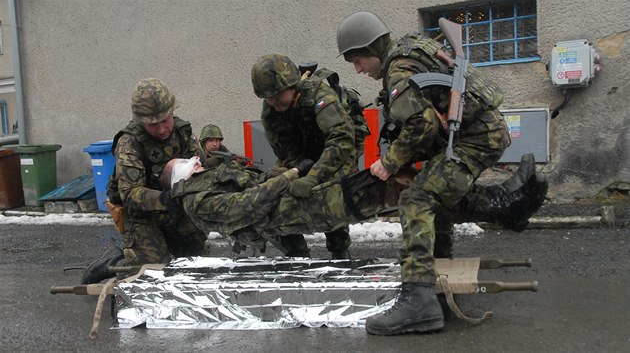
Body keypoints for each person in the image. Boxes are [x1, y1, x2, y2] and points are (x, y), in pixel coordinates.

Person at [336, 11, 546, 335]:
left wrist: (389, 162)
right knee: (435, 195)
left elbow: (422, 125)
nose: (358, 69)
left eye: (358, 60)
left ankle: (418, 299)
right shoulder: (407, 51)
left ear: (373, 49)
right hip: (479, 133)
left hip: (475, 138)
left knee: (415, 200)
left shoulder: (399, 68)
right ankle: (442, 274)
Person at [160, 154, 545, 251]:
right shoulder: (199, 202)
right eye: (186, 163)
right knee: (399, 186)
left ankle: (500, 202)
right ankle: (500, 205)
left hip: (310, 198)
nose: (195, 160)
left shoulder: (210, 178)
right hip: (309, 209)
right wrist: (291, 176)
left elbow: (257, 183)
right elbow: (245, 208)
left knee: (403, 184)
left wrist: (289, 173)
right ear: (180, 177)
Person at [81, 78, 208, 284]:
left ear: (171, 112)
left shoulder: (183, 134)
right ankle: (119, 263)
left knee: (196, 265)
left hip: (177, 211)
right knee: (152, 273)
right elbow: (130, 194)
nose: (161, 130)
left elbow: (203, 167)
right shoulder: (129, 143)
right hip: (142, 215)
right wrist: (166, 199)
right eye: (152, 125)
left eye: (165, 121)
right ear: (142, 122)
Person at [250, 53, 358, 259]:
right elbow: (284, 149)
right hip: (303, 155)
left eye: (277, 94)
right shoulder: (271, 111)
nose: (273, 101)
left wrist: (314, 176)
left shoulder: (320, 96)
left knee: (332, 192)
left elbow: (342, 140)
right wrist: (298, 171)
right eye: (267, 97)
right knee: (278, 185)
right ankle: (296, 252)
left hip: (336, 152)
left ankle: (339, 249)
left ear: (291, 85)